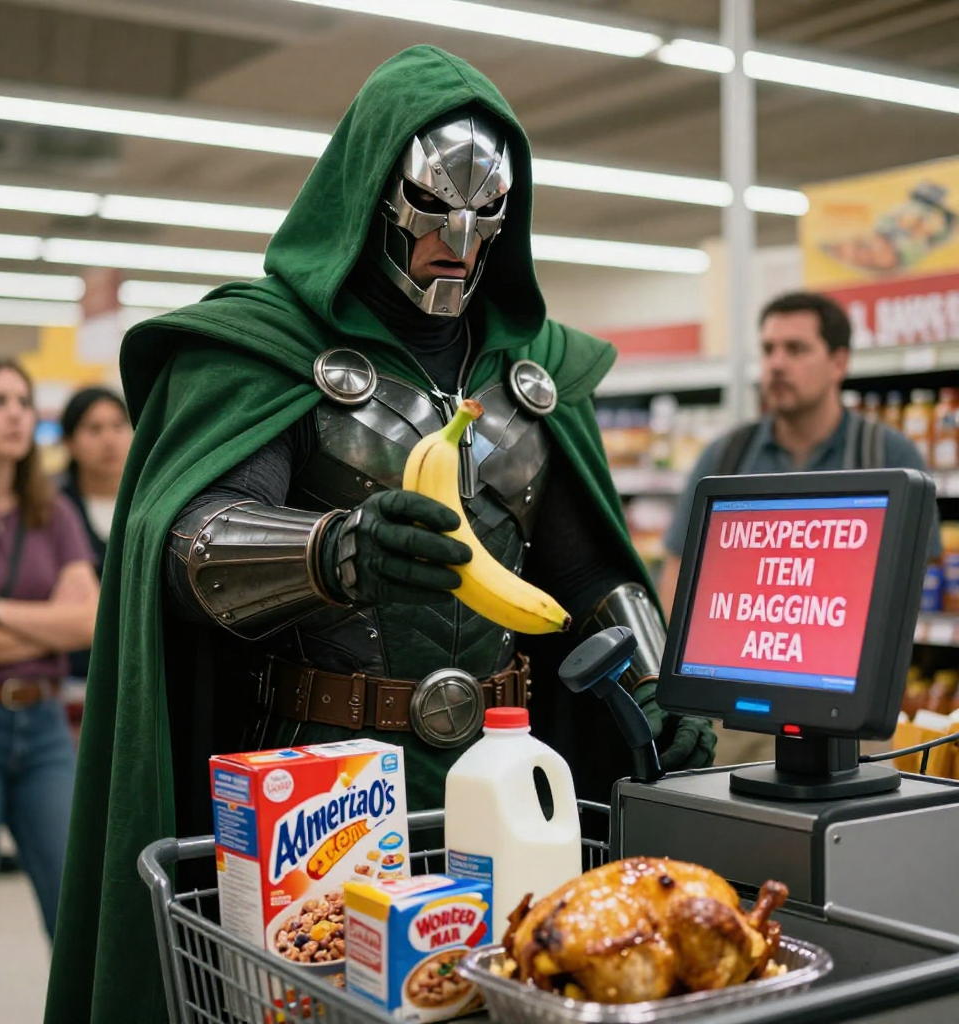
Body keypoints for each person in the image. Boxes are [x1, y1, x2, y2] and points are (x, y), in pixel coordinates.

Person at [45, 46, 716, 1024]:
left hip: (505, 757)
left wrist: (655, 686)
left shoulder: (532, 372)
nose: (458, 237)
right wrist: (331, 551)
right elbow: (192, 544)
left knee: (509, 990)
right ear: (373, 192)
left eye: (484, 214)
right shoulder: (273, 347)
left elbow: (583, 572)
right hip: (321, 775)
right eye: (433, 206)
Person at [659, 290, 941, 763]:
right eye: (769, 350)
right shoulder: (726, 456)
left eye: (796, 349)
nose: (777, 364)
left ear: (838, 361)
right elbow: (677, 570)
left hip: (850, 718)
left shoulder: (888, 456)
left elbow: (917, 578)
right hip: (737, 723)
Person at [0, 358, 100, 1024]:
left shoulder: (51, 510)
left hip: (45, 733)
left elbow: (88, 622)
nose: (14, 414)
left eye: (23, 401)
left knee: (73, 918)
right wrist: (44, 629)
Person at [58, 386, 132, 678]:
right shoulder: (53, 510)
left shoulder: (149, 507)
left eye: (118, 425)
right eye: (94, 429)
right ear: (69, 442)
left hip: (135, 668)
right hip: (73, 672)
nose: (109, 439)